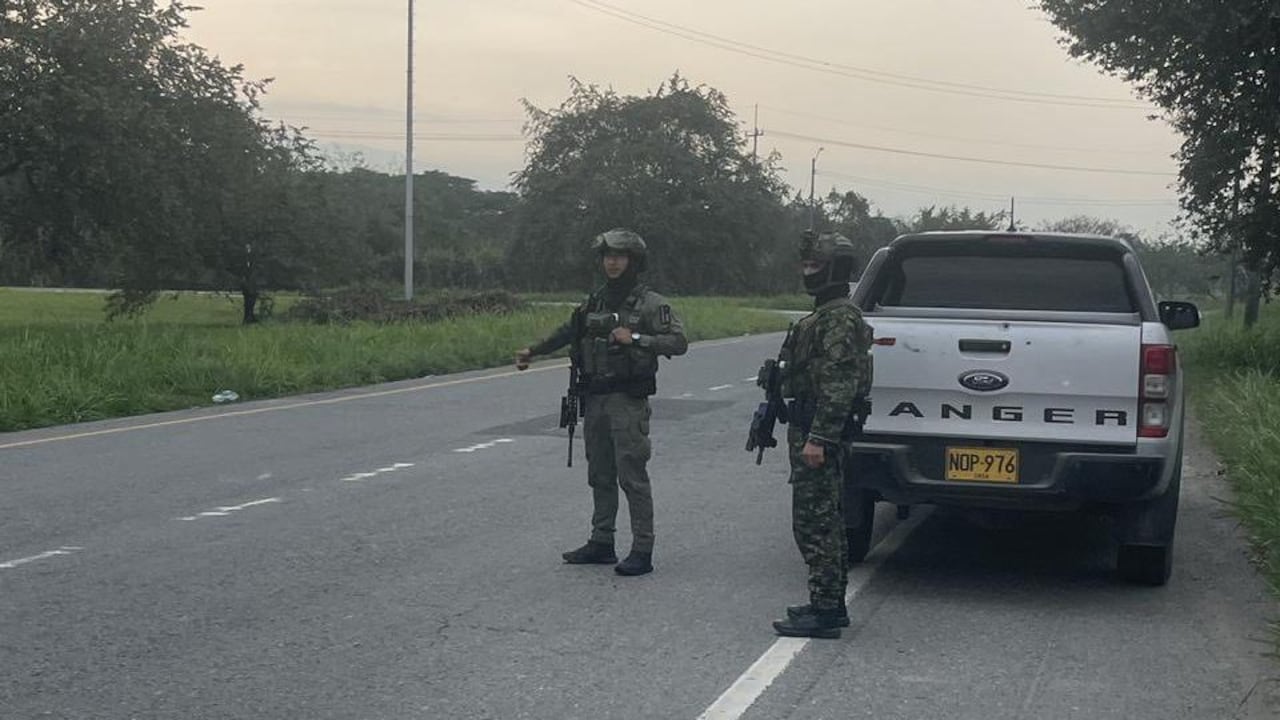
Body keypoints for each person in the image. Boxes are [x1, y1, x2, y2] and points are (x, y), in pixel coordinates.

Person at [516, 229, 688, 576]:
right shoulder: (594, 301)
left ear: (633, 261)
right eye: (607, 256)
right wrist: (533, 351)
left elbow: (679, 342)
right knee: (600, 473)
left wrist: (635, 337)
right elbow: (570, 331)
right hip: (594, 397)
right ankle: (602, 540)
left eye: (620, 256)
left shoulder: (652, 304)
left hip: (628, 399)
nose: (612, 262)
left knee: (632, 475)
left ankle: (642, 548)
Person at [770, 231, 874, 638]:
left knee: (817, 523)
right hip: (809, 428)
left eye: (815, 265)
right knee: (821, 519)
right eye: (806, 264)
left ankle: (826, 609)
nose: (807, 272)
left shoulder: (839, 319)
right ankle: (827, 601)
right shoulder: (827, 314)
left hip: (818, 435)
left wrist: (820, 438)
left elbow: (840, 383)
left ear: (835, 270)